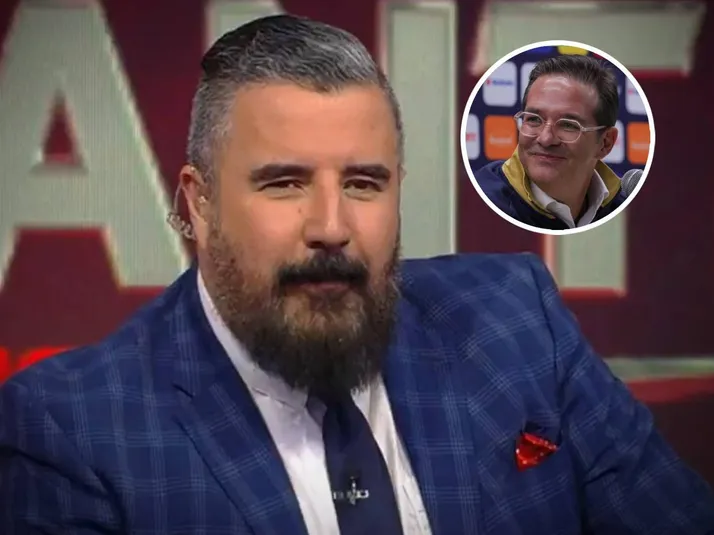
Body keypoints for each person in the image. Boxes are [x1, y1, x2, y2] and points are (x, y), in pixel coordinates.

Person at [1, 14, 712, 535]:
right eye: (284, 182)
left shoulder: (517, 322)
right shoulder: (71, 428)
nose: (332, 226)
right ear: (200, 204)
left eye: (364, 183)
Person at [474, 54, 628, 230]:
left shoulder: (624, 211)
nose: (546, 139)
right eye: (534, 119)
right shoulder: (478, 206)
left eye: (568, 125)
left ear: (605, 143)